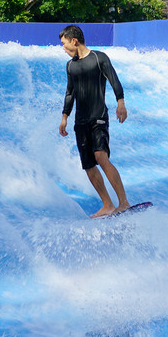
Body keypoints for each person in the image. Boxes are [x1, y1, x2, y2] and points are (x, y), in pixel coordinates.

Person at [58, 24, 131, 217]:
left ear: (74, 40)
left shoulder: (99, 58)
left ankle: (123, 202)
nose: (63, 49)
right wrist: (64, 117)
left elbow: (114, 80)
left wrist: (120, 102)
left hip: (98, 117)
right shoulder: (70, 65)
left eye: (64, 44)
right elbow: (70, 92)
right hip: (80, 121)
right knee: (89, 165)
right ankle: (107, 205)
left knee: (100, 156)